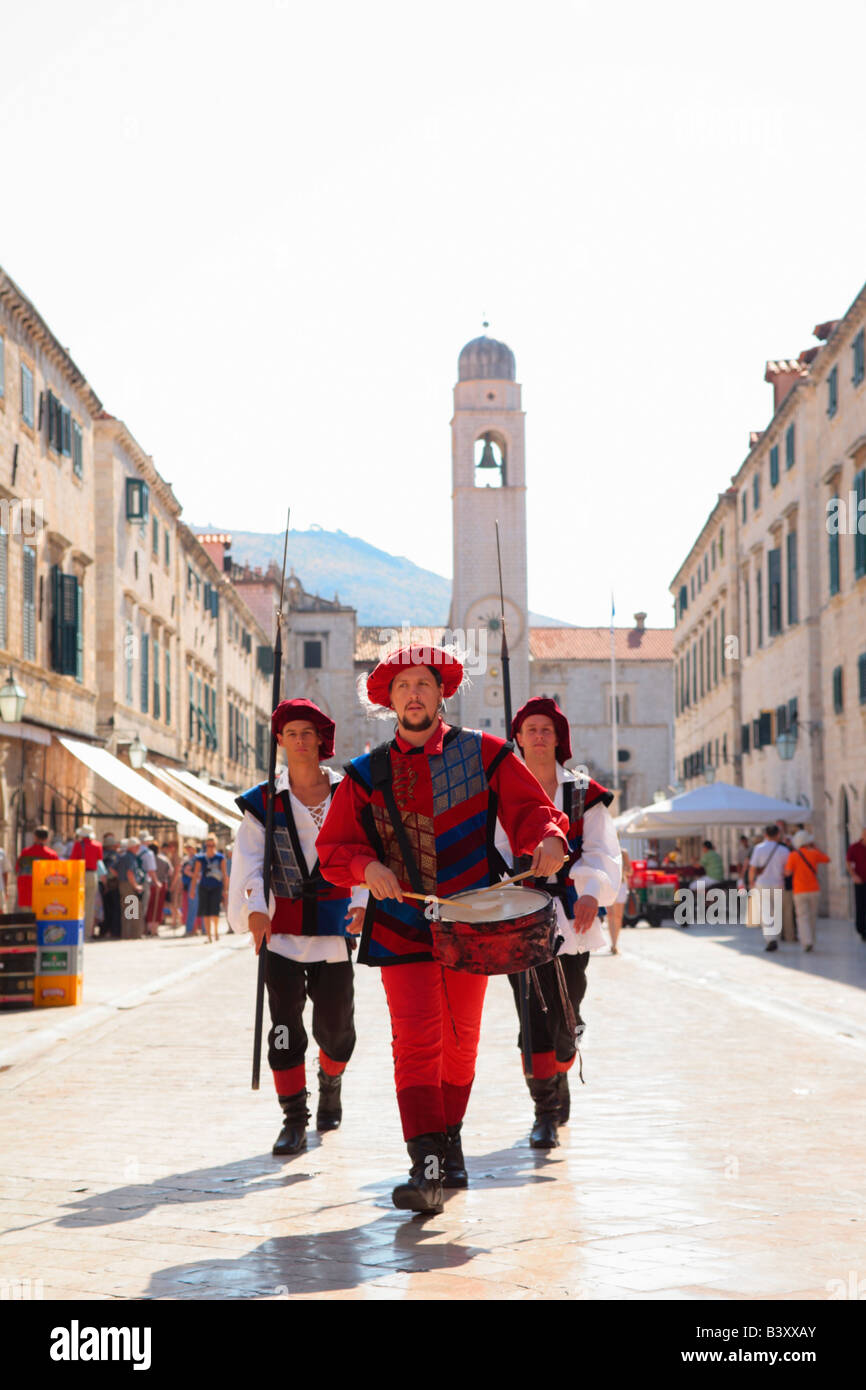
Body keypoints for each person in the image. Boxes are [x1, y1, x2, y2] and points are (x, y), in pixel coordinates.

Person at [317, 645, 569, 1215]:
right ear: (388, 699)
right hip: (401, 922)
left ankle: (450, 1143)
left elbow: (533, 811)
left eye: (423, 684)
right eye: (402, 685)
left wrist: (548, 838)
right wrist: (366, 868)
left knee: (461, 1041)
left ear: (440, 693)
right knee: (415, 1041)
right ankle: (426, 1167)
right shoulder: (364, 773)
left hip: (473, 920)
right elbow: (334, 849)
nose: (413, 694)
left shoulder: (488, 753)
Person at [229, 698, 363, 1156]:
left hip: (334, 925)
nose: (300, 741)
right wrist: (255, 907)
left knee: (337, 1027)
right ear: (280, 742)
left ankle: (331, 1079)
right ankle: (293, 1118)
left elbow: (368, 851)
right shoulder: (262, 802)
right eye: (291, 734)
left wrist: (364, 902)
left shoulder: (350, 792)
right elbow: (248, 862)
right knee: (283, 1027)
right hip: (281, 930)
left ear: (320, 740)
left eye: (308, 733)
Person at [494, 698, 621, 1149]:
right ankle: (543, 1110)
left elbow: (604, 851)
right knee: (532, 1013)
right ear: (519, 738)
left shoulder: (585, 793)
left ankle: (563, 1064)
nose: (539, 736)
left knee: (567, 1020)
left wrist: (591, 890)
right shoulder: (499, 792)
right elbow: (490, 851)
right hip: (519, 914)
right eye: (531, 729)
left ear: (559, 737)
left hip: (571, 914)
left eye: (547, 728)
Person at [784, 830, 829, 953]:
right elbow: (826, 859)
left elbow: (787, 872)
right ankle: (811, 940)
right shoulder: (814, 853)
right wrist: (815, 848)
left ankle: (806, 941)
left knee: (802, 917)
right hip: (814, 889)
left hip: (799, 890)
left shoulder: (793, 855)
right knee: (812, 916)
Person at [748, 825, 788, 952]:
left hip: (762, 883)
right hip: (778, 883)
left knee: (766, 912)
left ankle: (771, 938)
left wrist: (751, 882)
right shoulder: (784, 850)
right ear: (778, 835)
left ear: (765, 834)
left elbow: (753, 867)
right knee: (775, 911)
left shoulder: (758, 848)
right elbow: (787, 870)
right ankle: (775, 935)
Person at [189, 836, 229, 944]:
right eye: (208, 845)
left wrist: (225, 889)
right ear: (205, 846)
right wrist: (192, 890)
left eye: (212, 845)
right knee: (205, 911)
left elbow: (225, 874)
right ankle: (209, 935)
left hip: (217, 886)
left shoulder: (220, 858)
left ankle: (215, 931)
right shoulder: (200, 859)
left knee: (215, 910)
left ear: (215, 845)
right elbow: (195, 874)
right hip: (204, 886)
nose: (210, 847)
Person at [70, 824, 104, 941]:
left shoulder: (78, 845)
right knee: (90, 905)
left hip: (80, 873)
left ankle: (77, 932)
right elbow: (99, 859)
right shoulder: (97, 845)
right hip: (92, 874)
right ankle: (87, 934)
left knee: (78, 904)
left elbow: (73, 860)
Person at [15, 826, 59, 909]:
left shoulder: (25, 852)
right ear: (47, 838)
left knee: (27, 919)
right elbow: (56, 874)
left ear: (35, 837)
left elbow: (18, 869)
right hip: (44, 891)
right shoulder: (52, 855)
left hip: (26, 891)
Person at [116, 836, 146, 934]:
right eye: (137, 846)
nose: (138, 848)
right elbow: (130, 872)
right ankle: (133, 934)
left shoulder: (123, 856)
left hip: (123, 883)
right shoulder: (130, 857)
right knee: (132, 911)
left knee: (127, 911)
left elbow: (113, 869)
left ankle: (127, 933)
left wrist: (120, 876)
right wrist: (135, 885)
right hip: (129, 884)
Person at [845, 828, 866, 942]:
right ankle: (862, 930)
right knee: (861, 906)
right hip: (860, 881)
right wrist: (854, 876)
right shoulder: (855, 847)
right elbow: (848, 862)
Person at [100, 833, 121, 939]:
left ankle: (103, 930)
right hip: (112, 883)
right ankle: (114, 930)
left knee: (104, 908)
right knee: (114, 907)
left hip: (101, 883)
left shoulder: (101, 854)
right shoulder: (115, 855)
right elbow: (112, 870)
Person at [609, 845, 631, 954]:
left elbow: (630, 870)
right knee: (611, 915)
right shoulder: (606, 849)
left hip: (621, 884)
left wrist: (623, 870)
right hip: (609, 884)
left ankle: (615, 943)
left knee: (618, 916)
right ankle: (613, 943)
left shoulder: (623, 852)